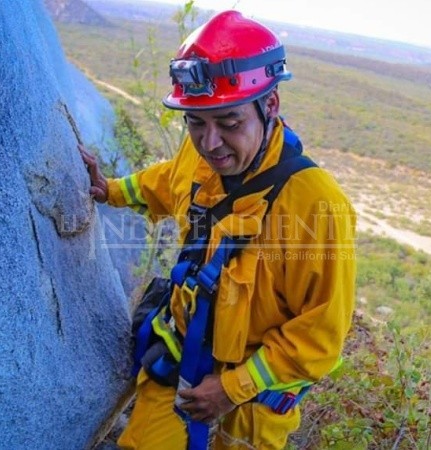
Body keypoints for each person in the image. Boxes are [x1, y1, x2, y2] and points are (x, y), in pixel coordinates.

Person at [79, 10, 356, 450]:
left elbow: (320, 335)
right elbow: (164, 182)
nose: (210, 144)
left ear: (270, 106)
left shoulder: (315, 206)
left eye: (229, 123)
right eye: (195, 123)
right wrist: (108, 190)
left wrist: (233, 388)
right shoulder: (200, 161)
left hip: (248, 417)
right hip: (177, 377)